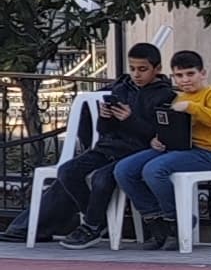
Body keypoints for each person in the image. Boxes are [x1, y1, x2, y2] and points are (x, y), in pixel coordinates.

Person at [113, 47, 211, 246]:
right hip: (176, 149)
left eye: (190, 74)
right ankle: (155, 220)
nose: (185, 80)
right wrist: (157, 139)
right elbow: (170, 126)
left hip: (206, 153)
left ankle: (176, 219)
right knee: (123, 169)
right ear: (173, 77)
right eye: (179, 75)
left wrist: (192, 108)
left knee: (154, 170)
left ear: (202, 73)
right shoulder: (179, 97)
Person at [31, 81, 147, 245]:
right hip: (107, 147)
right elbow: (103, 130)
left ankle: (92, 225)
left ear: (156, 69)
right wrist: (105, 117)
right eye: (133, 69)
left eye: (142, 69)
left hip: (134, 152)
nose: (137, 75)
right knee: (67, 171)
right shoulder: (120, 90)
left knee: (101, 178)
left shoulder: (159, 95)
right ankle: (96, 219)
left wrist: (130, 120)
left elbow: (152, 134)